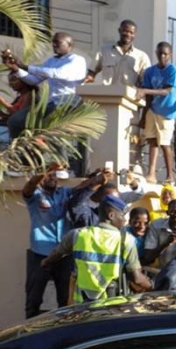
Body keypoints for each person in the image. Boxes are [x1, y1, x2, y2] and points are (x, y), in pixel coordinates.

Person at [42, 195, 151, 302]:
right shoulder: (126, 240)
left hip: (81, 306)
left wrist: (45, 262)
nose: (124, 220)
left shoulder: (78, 234)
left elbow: (57, 253)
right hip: (111, 306)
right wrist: (153, 287)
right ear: (111, 215)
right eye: (122, 215)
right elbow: (137, 279)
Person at [3, 32, 88, 140]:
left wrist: (25, 66)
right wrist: (16, 69)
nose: (54, 45)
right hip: (50, 104)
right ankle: (23, 153)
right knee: (15, 121)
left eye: (58, 42)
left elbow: (57, 73)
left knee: (51, 132)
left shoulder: (77, 60)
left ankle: (55, 154)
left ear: (70, 45)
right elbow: (34, 80)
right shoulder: (51, 61)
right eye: (53, 42)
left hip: (66, 104)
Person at [22, 165, 75, 318]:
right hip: (40, 254)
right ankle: (28, 334)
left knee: (65, 300)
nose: (52, 177)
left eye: (54, 175)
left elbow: (83, 190)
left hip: (64, 255)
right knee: (33, 299)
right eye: (48, 175)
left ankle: (63, 333)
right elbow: (29, 187)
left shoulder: (65, 193)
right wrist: (47, 168)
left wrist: (96, 177)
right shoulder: (35, 195)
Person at [137, 42, 176, 184]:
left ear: (170, 55)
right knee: (152, 141)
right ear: (156, 53)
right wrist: (144, 115)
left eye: (165, 54)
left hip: (167, 112)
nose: (162, 56)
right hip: (153, 110)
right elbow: (148, 97)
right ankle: (151, 174)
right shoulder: (149, 71)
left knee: (165, 143)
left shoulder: (173, 70)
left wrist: (144, 90)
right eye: (160, 53)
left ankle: (170, 176)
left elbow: (166, 91)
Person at [87, 19, 150, 86]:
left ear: (134, 35)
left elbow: (145, 81)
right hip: (107, 94)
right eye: (125, 31)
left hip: (130, 95)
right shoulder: (104, 50)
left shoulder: (142, 57)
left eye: (131, 32)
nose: (128, 34)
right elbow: (92, 72)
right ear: (119, 30)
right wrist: (88, 82)